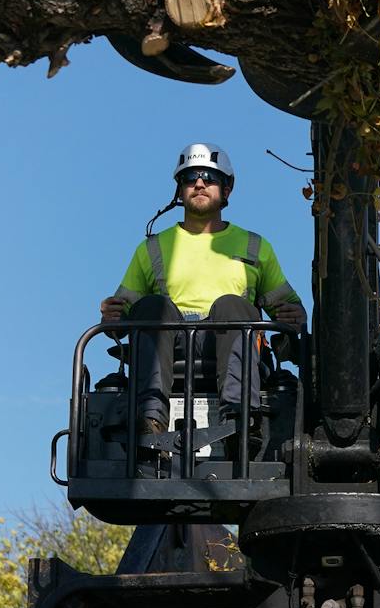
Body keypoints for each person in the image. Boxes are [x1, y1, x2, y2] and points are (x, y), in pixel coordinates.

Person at [99, 143, 305, 446]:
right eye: (190, 177)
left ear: (227, 189)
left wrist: (294, 314)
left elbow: (290, 312)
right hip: (173, 344)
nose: (198, 183)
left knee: (233, 306)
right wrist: (113, 315)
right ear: (179, 190)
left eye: (209, 177)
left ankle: (239, 419)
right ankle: (149, 418)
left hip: (232, 340)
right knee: (154, 305)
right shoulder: (152, 248)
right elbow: (123, 315)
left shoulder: (255, 246)